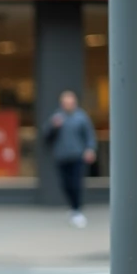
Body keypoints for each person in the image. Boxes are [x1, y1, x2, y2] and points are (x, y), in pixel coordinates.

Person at [45, 90, 97, 228]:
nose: (68, 105)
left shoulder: (81, 117)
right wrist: (54, 127)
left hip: (77, 156)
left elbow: (89, 135)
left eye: (70, 102)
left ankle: (77, 210)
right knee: (65, 184)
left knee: (76, 183)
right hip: (61, 156)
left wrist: (90, 149)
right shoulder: (57, 117)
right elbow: (46, 137)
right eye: (65, 102)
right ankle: (73, 207)